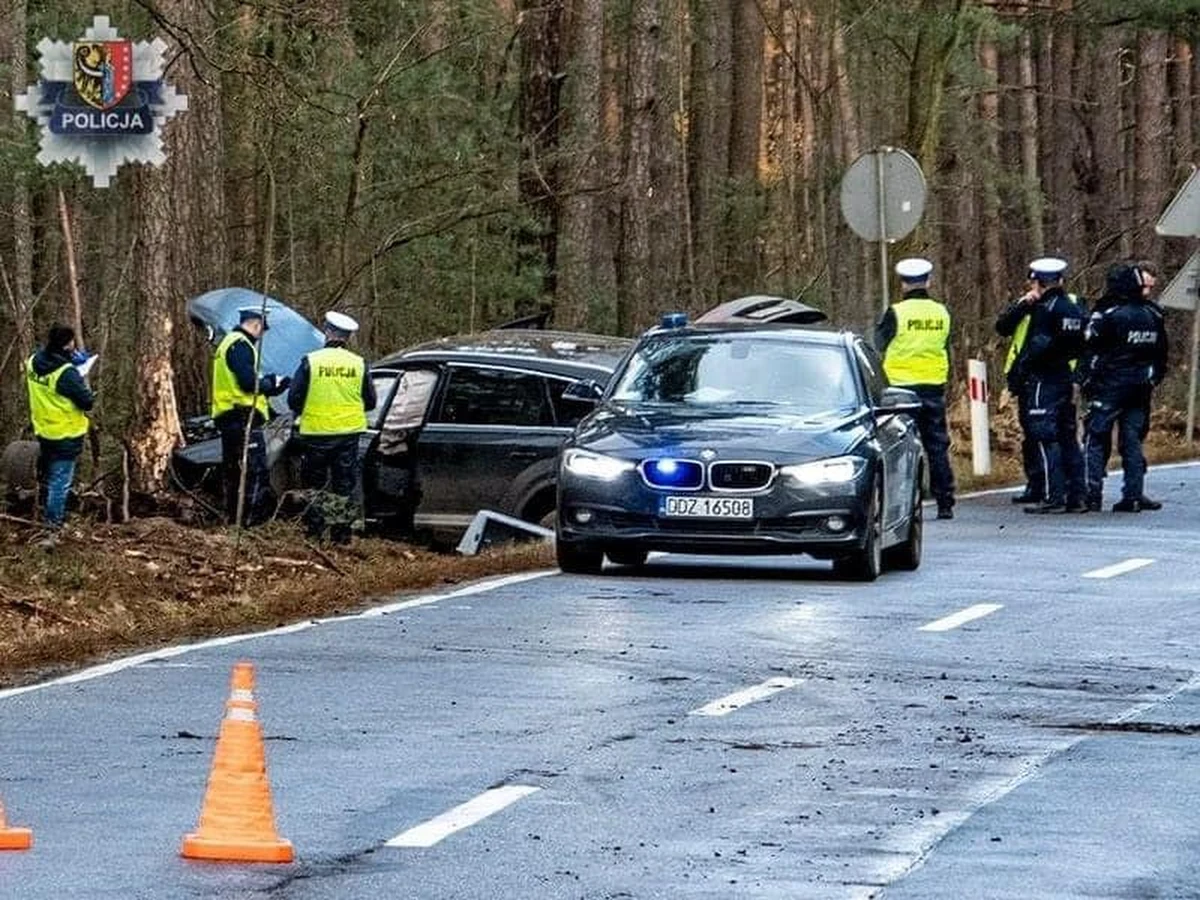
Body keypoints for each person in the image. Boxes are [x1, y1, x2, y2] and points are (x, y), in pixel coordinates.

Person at [1080, 262, 1168, 512]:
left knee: (1095, 437)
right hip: (1140, 387)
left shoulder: (1110, 315)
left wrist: (1089, 380)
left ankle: (1091, 493)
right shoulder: (1153, 315)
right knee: (1132, 441)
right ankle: (1133, 494)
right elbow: (1162, 354)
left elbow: (1092, 347)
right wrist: (1152, 378)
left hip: (1111, 386)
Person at [875, 257, 956, 519]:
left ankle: (906, 503)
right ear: (929, 281)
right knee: (936, 446)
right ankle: (945, 502)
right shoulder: (941, 312)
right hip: (933, 386)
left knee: (900, 447)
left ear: (902, 284)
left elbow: (879, 343)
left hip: (900, 391)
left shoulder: (896, 313)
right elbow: (946, 344)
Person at [287, 311, 376, 544]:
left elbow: (293, 400)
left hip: (316, 433)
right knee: (343, 485)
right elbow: (371, 401)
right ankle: (342, 537)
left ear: (327, 332)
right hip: (348, 434)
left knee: (315, 485)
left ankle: (315, 535)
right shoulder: (358, 363)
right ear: (347, 337)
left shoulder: (311, 361)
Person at [1010, 258, 1087, 514]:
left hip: (1044, 378)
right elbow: (1082, 344)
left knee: (1045, 436)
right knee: (1068, 437)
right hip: (1065, 376)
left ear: (1038, 283)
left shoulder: (1046, 308)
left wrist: (1023, 368)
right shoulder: (1073, 308)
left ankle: (1054, 496)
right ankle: (1077, 495)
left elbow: (1038, 345)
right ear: (1061, 280)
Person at [210, 307, 290, 526]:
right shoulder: (241, 345)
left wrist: (273, 386)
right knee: (255, 470)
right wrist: (269, 383)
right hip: (242, 416)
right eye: (262, 330)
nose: (262, 335)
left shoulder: (228, 343)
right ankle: (251, 523)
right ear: (256, 325)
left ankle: (232, 519)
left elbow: (245, 381)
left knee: (233, 470)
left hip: (230, 415)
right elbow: (248, 383)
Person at [25, 324, 95, 547]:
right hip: (66, 434)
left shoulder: (32, 362)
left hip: (44, 430)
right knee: (60, 482)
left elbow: (51, 371)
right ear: (67, 344)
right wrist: (77, 374)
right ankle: (52, 527)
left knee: (47, 475)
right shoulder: (66, 375)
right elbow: (87, 401)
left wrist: (70, 362)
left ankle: (43, 513)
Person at [995, 289, 1044, 504]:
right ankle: (1035, 484)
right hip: (1025, 380)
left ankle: (1060, 486)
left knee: (1056, 435)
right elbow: (1003, 327)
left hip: (1054, 380)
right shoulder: (1024, 305)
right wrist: (1023, 304)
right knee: (1031, 434)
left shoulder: (1065, 305)